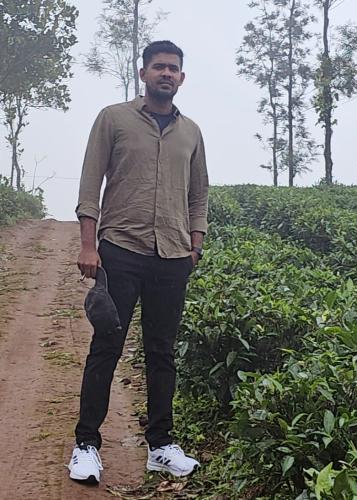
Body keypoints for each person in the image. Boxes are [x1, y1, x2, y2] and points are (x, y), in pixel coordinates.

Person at [68, 40, 209, 484]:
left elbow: (199, 194)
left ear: (181, 78)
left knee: (161, 353)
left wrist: (195, 246)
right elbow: (90, 183)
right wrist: (88, 245)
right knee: (106, 347)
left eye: (173, 68)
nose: (166, 73)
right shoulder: (114, 119)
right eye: (158, 67)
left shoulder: (191, 132)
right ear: (143, 72)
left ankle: (161, 446)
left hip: (172, 256)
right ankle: (86, 445)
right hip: (121, 250)